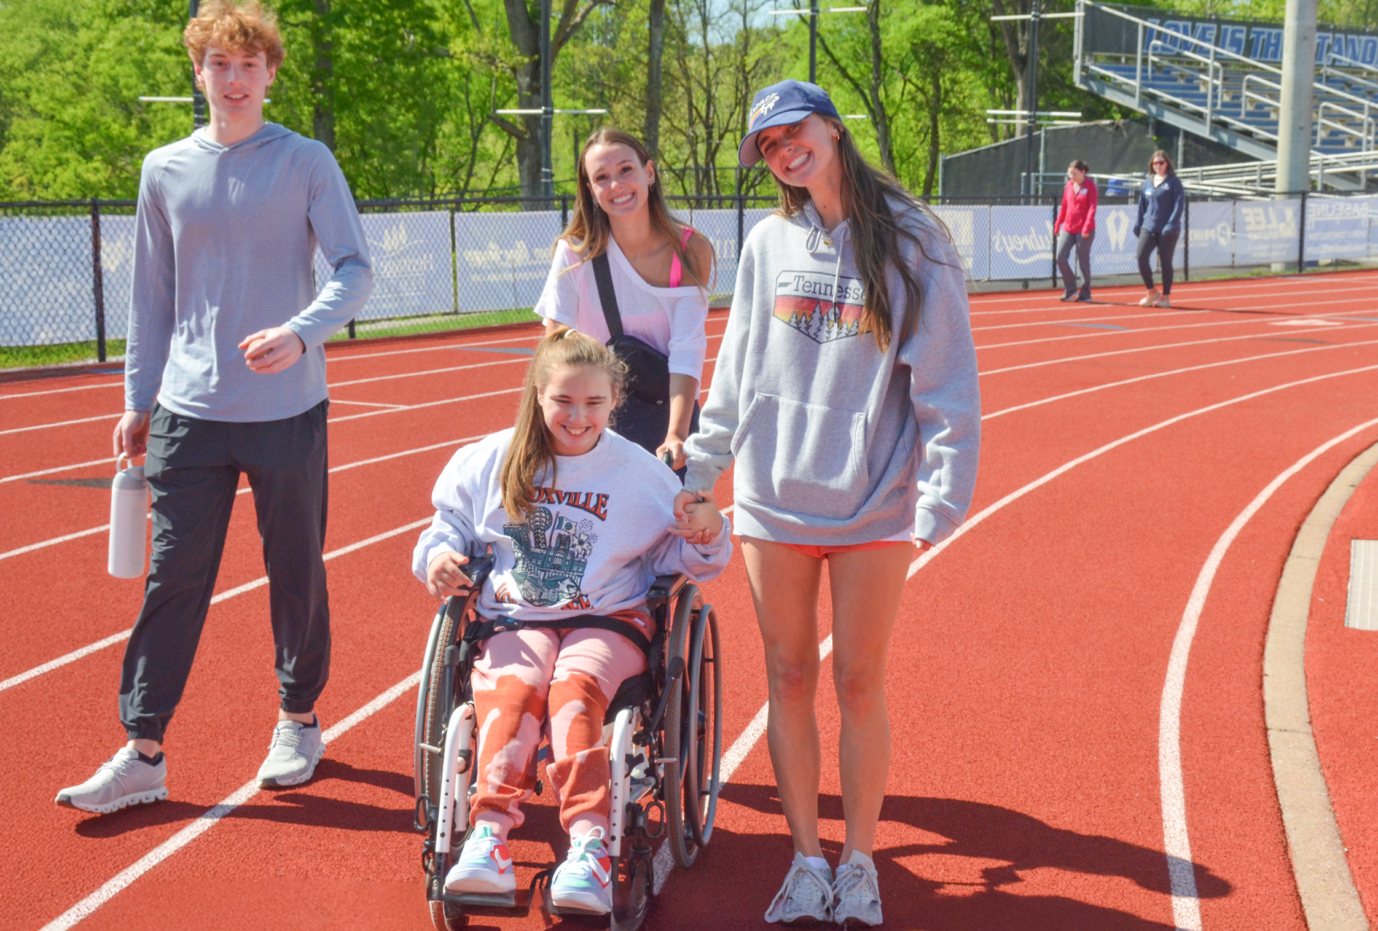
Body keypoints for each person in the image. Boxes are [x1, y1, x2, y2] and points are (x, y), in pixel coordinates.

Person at [57, 0, 372, 816]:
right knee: (173, 578)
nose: (234, 80)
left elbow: (352, 268)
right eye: (218, 65)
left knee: (294, 570)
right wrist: (137, 398)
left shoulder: (306, 161)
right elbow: (151, 298)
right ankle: (144, 748)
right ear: (197, 72)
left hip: (287, 408)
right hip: (188, 412)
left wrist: (300, 334)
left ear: (271, 74)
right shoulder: (163, 169)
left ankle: (299, 718)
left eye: (249, 66)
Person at [680, 80, 981, 927]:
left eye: (793, 131)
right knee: (786, 673)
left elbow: (948, 384)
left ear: (834, 130)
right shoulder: (769, 244)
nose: (782, 149)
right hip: (774, 499)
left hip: (873, 503)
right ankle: (806, 859)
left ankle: (860, 861)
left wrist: (941, 499)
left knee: (857, 679)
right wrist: (703, 470)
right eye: (768, 144)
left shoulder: (915, 240)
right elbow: (735, 375)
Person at [415, 327, 733, 915]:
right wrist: (436, 558)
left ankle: (588, 845)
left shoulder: (640, 474)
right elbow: (446, 526)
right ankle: (488, 836)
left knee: (574, 691)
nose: (578, 416)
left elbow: (681, 559)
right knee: (515, 692)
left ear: (615, 401)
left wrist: (709, 530)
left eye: (593, 403)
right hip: (515, 619)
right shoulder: (490, 459)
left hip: (607, 619)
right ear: (538, 394)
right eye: (563, 400)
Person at [536, 128, 717, 469]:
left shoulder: (690, 251)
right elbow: (556, 346)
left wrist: (675, 435)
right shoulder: (575, 252)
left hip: (665, 414)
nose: (616, 185)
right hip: (593, 421)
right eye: (601, 177)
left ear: (649, 173)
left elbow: (687, 348)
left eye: (625, 170)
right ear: (590, 190)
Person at [1133, 150, 1186, 308]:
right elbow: (1142, 206)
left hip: (1168, 229)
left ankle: (1166, 297)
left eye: (1161, 163)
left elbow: (1179, 205)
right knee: (1141, 256)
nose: (1158, 166)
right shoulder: (1147, 182)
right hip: (1149, 226)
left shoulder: (1174, 182)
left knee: (1165, 262)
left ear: (1167, 164)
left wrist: (1171, 224)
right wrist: (1138, 224)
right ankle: (1151, 291)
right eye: (1155, 163)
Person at [1052, 159, 1098, 303]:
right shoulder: (1069, 185)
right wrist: (1058, 223)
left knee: (1083, 261)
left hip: (1084, 230)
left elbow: (1092, 207)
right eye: (1070, 174)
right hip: (1068, 227)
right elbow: (1065, 205)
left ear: (1083, 172)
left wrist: (1086, 226)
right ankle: (1070, 290)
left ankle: (1086, 294)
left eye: (1075, 174)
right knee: (1060, 257)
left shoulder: (1090, 186)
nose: (1072, 177)